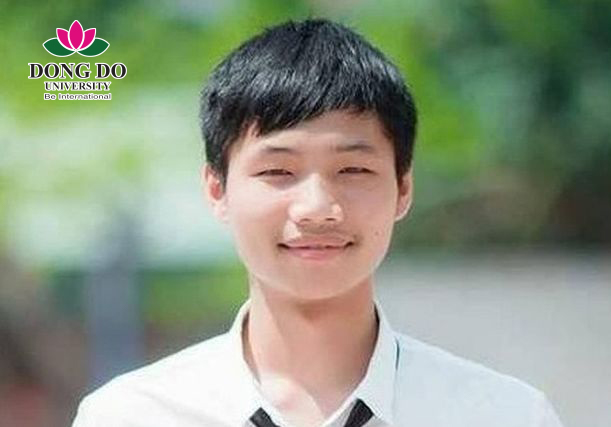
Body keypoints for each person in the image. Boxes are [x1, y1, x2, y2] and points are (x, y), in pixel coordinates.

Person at [71, 18, 564, 427]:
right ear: (217, 189)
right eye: (277, 171)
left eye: (353, 170)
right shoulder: (130, 416)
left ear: (403, 189)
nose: (316, 208)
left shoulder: (505, 415)